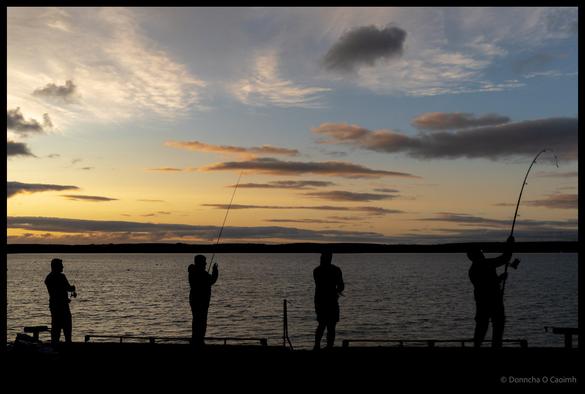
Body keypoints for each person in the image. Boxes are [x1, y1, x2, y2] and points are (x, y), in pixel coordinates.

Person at [467, 235, 515, 348]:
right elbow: (505, 258)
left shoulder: (472, 270)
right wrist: (509, 245)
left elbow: (486, 284)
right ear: (477, 255)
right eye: (480, 252)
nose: (482, 253)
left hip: (481, 301)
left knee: (481, 325)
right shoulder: (485, 263)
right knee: (497, 324)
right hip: (494, 301)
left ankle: (477, 347)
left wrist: (499, 279)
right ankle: (496, 347)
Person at [313, 252, 344, 350]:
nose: (321, 259)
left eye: (322, 258)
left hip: (320, 301)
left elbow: (339, 286)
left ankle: (318, 346)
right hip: (329, 301)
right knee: (330, 325)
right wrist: (337, 291)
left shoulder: (317, 270)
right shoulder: (336, 270)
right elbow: (341, 286)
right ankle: (328, 346)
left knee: (323, 324)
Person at [44, 258, 76, 346]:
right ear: (56, 267)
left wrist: (69, 294)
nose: (63, 267)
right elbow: (68, 289)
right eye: (61, 265)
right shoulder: (61, 277)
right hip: (61, 307)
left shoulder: (48, 278)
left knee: (56, 329)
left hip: (55, 306)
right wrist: (72, 291)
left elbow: (67, 292)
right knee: (66, 329)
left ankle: (55, 347)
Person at [188, 255, 218, 346]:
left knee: (197, 321)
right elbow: (212, 280)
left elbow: (209, 280)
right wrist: (215, 270)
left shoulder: (194, 272)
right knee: (201, 322)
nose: (205, 263)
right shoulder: (200, 273)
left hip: (195, 300)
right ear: (199, 263)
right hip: (201, 302)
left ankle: (196, 340)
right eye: (204, 262)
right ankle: (199, 341)